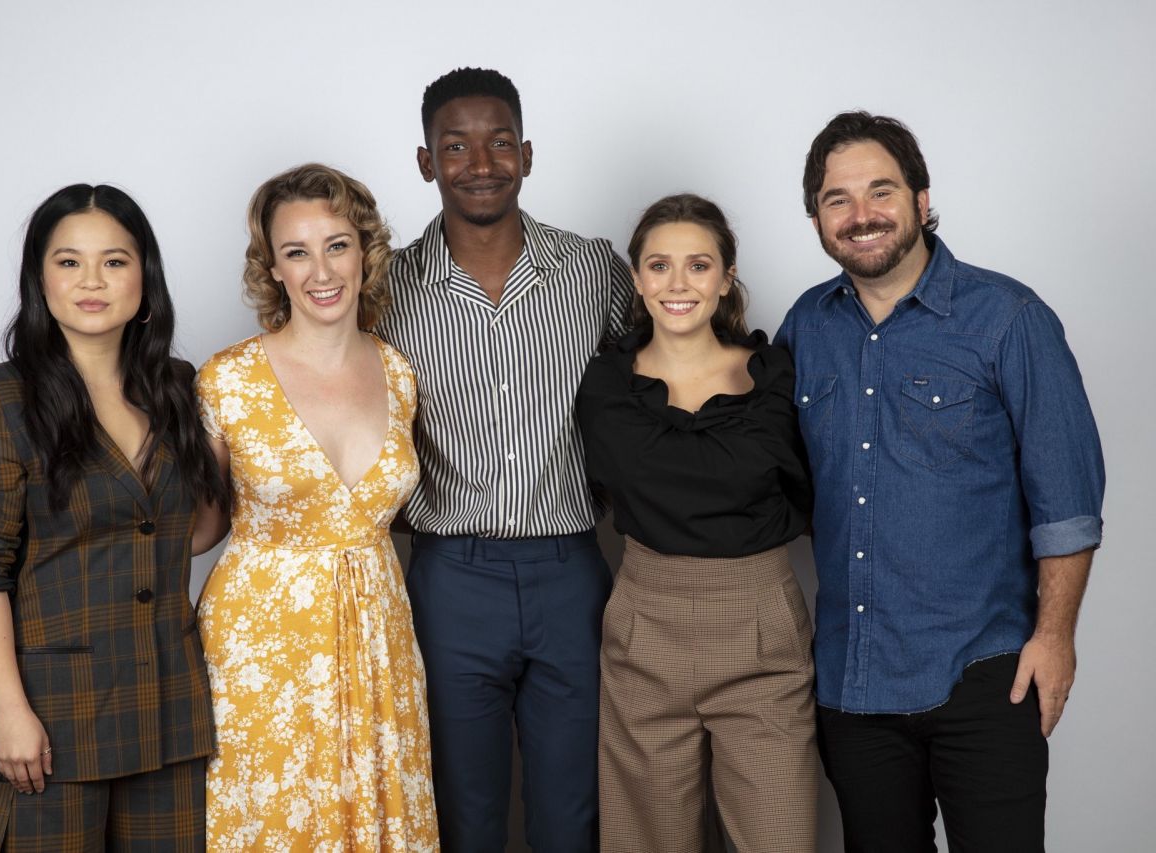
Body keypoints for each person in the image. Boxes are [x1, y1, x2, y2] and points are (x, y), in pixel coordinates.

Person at [775, 111, 1105, 852]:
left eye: (881, 191)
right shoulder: (805, 325)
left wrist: (1056, 636)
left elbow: (1068, 503)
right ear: (817, 218)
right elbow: (786, 480)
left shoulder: (1009, 319)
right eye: (837, 199)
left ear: (922, 200)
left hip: (986, 674)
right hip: (853, 682)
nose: (862, 216)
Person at [374, 67, 632, 851]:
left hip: (572, 572)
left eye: (497, 142)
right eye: (456, 146)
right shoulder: (383, 288)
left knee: (574, 810)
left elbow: (654, 382)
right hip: (451, 577)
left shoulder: (593, 269)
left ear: (526, 153)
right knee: (464, 810)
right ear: (426, 162)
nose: (479, 163)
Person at [0, 183, 226, 851]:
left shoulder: (180, 387)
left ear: (144, 279)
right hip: (49, 719)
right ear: (40, 279)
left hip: (170, 714)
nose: (92, 280)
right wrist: (9, 710)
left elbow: (194, 533)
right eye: (69, 261)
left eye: (115, 261)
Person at [192, 163, 439, 850]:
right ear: (272, 268)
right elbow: (200, 529)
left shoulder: (398, 371)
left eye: (336, 244)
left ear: (365, 251)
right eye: (296, 251)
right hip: (260, 652)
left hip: (379, 640)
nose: (320, 270)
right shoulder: (227, 379)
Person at [575, 193, 818, 852]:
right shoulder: (604, 385)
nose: (678, 284)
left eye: (698, 265)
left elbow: (810, 492)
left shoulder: (777, 380)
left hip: (761, 625)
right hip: (645, 626)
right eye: (659, 266)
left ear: (726, 276)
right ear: (637, 278)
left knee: (781, 838)